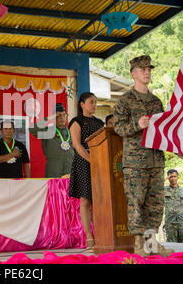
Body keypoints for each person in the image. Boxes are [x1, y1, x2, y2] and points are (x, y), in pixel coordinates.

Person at [113, 55, 183, 257]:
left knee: (155, 204)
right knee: (136, 203)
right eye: (143, 69)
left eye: (149, 69)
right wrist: (136, 125)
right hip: (135, 164)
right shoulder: (124, 101)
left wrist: (178, 149)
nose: (147, 72)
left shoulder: (156, 102)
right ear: (134, 74)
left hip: (155, 161)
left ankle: (152, 242)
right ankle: (139, 244)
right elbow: (118, 127)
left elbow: (164, 132)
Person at [68, 92, 104, 248]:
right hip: (83, 162)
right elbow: (77, 145)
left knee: (99, 200)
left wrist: (99, 162)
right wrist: (92, 161)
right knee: (85, 200)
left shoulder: (100, 123)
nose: (94, 105)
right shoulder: (76, 122)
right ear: (82, 104)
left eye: (95, 102)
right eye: (91, 102)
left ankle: (102, 234)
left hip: (100, 162)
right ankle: (89, 236)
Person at [29, 102, 74, 178]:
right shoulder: (48, 131)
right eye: (58, 115)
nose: (62, 118)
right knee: (54, 189)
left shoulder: (71, 131)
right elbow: (32, 129)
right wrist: (49, 118)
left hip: (69, 167)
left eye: (64, 115)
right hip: (53, 168)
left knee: (69, 189)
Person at [163, 169, 183, 243]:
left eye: (175, 176)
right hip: (170, 223)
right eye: (171, 177)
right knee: (172, 246)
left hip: (182, 222)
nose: (173, 178)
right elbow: (155, 188)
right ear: (168, 178)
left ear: (178, 177)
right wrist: (164, 179)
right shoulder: (163, 190)